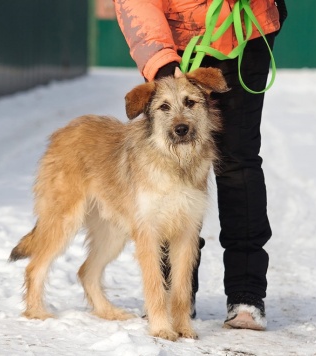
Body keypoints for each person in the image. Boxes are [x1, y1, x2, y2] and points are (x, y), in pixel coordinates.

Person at [114, 0, 287, 330]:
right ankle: (173, 294)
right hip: (175, 36)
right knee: (169, 166)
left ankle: (246, 294)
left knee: (237, 160)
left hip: (245, 30)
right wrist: (161, 63)